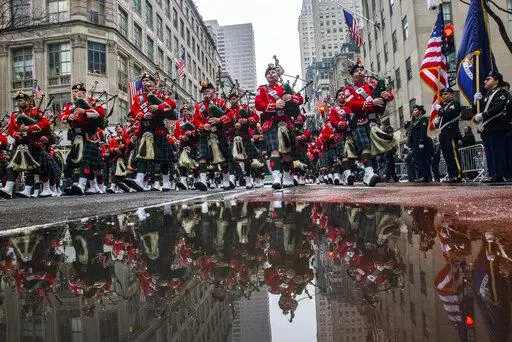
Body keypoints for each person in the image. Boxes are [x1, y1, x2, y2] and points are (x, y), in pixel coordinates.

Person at [342, 59, 394, 186]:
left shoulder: (370, 86)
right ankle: (369, 173)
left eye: (361, 70)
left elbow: (387, 97)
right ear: (352, 75)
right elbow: (350, 104)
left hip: (372, 121)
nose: (360, 72)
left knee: (371, 148)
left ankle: (368, 173)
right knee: (364, 145)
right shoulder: (348, 90)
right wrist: (370, 103)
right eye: (357, 71)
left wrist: (386, 95)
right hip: (358, 121)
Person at [254, 63, 304, 189]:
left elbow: (300, 99)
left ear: (277, 74)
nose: (271, 74)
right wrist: (274, 106)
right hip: (271, 123)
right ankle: (276, 177)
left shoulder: (284, 87)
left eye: (273, 72)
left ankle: (287, 176)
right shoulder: (263, 89)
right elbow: (258, 104)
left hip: (285, 123)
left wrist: (291, 97)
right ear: (266, 77)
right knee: (274, 151)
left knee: (286, 153)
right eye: (268, 73)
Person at [127, 72, 178, 191]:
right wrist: (143, 115)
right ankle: (139, 180)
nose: (145, 83)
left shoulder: (160, 95)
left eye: (148, 81)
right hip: (144, 129)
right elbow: (134, 110)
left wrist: (158, 107)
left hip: (158, 129)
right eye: (144, 81)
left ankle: (166, 182)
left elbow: (172, 104)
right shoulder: (138, 98)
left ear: (154, 83)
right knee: (142, 155)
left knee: (164, 159)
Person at [0, 91, 52, 199]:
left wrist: (29, 128)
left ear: (28, 101)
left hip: (32, 143)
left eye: (22, 100)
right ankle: (9, 188)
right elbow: (11, 129)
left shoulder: (34, 112)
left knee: (35, 168)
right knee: (13, 166)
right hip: (19, 144)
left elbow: (45, 124)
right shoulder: (15, 115)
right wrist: (15, 134)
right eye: (18, 100)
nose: (19, 102)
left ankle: (33, 189)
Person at [59, 82, 106, 195]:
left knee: (87, 161)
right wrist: (68, 117)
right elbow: (62, 116)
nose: (74, 93)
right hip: (76, 137)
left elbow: (100, 113)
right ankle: (93, 186)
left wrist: (84, 111)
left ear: (83, 93)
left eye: (77, 91)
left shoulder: (92, 102)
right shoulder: (69, 105)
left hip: (89, 135)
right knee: (72, 161)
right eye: (73, 91)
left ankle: (82, 185)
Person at [192, 81, 236, 191]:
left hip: (219, 133)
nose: (206, 92)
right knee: (202, 157)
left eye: (208, 90)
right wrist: (203, 125)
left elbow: (232, 116)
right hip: (205, 134)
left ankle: (226, 181)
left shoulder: (222, 102)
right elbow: (195, 120)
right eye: (204, 91)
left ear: (213, 90)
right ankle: (203, 181)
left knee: (224, 159)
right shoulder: (200, 106)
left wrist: (219, 120)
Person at [474, 71, 510, 182]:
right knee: (489, 153)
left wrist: (483, 115)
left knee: (497, 152)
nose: (485, 81)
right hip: (487, 129)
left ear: (496, 80)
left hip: (497, 128)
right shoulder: (487, 94)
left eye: (488, 79)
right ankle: (492, 173)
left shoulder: (501, 92)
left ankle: (499, 174)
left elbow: (498, 107)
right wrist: (476, 102)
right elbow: (477, 112)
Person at [434, 88, 462, 182]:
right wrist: (437, 122)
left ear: (452, 95)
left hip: (451, 133)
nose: (443, 96)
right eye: (442, 95)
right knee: (447, 157)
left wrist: (439, 109)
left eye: (446, 94)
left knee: (453, 155)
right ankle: (451, 175)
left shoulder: (455, 104)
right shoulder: (445, 106)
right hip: (444, 135)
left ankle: (457, 175)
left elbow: (449, 114)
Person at [408, 105, 432, 182]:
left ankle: (425, 176)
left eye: (415, 110)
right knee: (417, 160)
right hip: (415, 143)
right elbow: (411, 134)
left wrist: (421, 141)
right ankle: (420, 176)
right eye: (413, 110)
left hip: (421, 142)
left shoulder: (423, 119)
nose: (413, 111)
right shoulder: (414, 121)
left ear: (420, 111)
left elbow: (423, 131)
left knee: (422, 160)